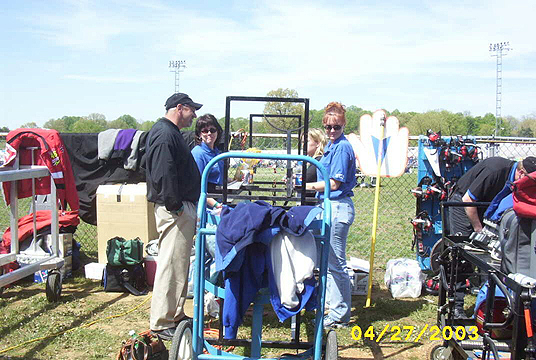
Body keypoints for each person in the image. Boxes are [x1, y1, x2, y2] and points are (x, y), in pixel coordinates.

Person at [448, 155, 536, 318]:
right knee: (464, 255)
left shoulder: (516, 178)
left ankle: (488, 304)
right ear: (522, 173)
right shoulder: (495, 170)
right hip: (463, 204)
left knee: (489, 259)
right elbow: (468, 200)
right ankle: (456, 306)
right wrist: (478, 229)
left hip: (484, 206)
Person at [146, 92, 202, 340]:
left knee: (179, 264)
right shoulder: (164, 133)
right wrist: (175, 205)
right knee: (170, 264)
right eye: (192, 110)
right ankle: (162, 321)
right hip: (174, 210)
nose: (195, 115)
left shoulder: (169, 132)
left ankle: (175, 314)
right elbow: (163, 172)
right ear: (180, 108)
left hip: (178, 208)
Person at [305, 102, 357, 328]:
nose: (332, 131)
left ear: (344, 124)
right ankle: (331, 307)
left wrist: (306, 187)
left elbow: (334, 183)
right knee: (326, 263)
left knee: (336, 264)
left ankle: (340, 315)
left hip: (337, 206)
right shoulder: (331, 146)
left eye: (336, 127)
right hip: (327, 206)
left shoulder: (343, 147)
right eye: (328, 127)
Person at [191, 114, 225, 210]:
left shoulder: (217, 152)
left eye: (212, 130)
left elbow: (217, 176)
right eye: (205, 131)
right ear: (199, 134)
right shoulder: (198, 153)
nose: (209, 133)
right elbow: (197, 187)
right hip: (206, 206)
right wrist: (216, 205)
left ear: (217, 132)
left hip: (219, 199)